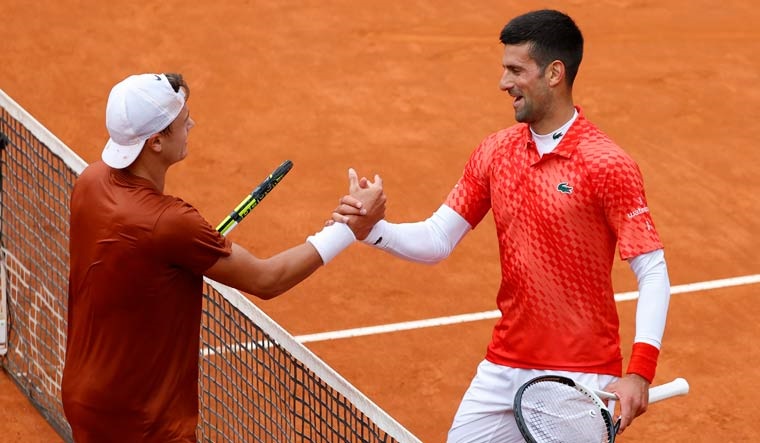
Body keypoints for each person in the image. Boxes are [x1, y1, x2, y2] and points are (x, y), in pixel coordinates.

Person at [333, 9, 671, 443]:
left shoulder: (607, 164)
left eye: (515, 70)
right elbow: (437, 239)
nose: (503, 83)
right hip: (503, 364)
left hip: (580, 375)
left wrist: (640, 372)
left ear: (554, 73)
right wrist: (374, 229)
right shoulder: (495, 152)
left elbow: (652, 269)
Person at [61, 72, 384, 443]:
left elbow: (135, 257)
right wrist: (349, 228)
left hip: (84, 397)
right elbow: (267, 279)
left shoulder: (90, 181)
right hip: (144, 423)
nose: (191, 125)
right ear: (155, 142)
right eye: (183, 123)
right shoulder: (169, 223)